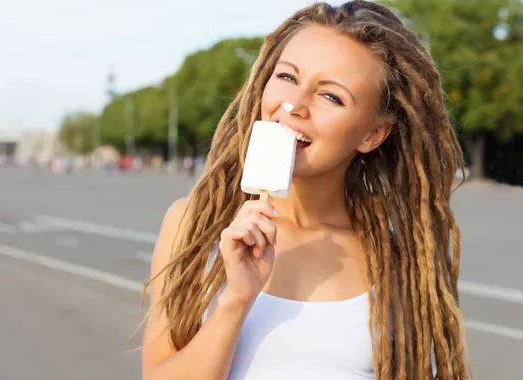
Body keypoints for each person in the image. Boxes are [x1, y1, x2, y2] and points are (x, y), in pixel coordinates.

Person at [141, 1, 471, 379]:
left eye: (331, 96)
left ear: (372, 134)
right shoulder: (193, 226)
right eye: (287, 77)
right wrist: (235, 299)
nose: (294, 105)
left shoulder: (396, 257)